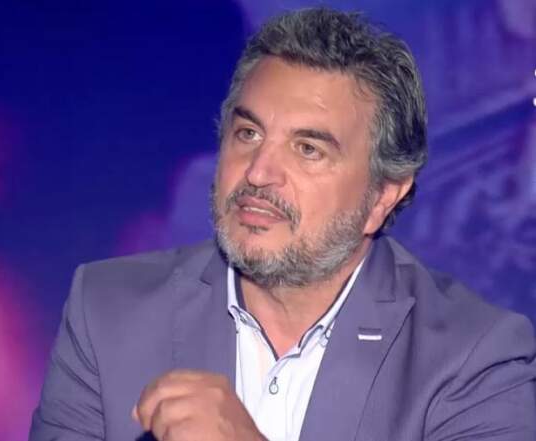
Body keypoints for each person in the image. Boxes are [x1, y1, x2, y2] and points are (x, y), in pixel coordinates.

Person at [29, 7, 536, 441]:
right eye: (248, 134)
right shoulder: (105, 309)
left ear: (383, 196)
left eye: (308, 149)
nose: (258, 173)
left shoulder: (476, 359)